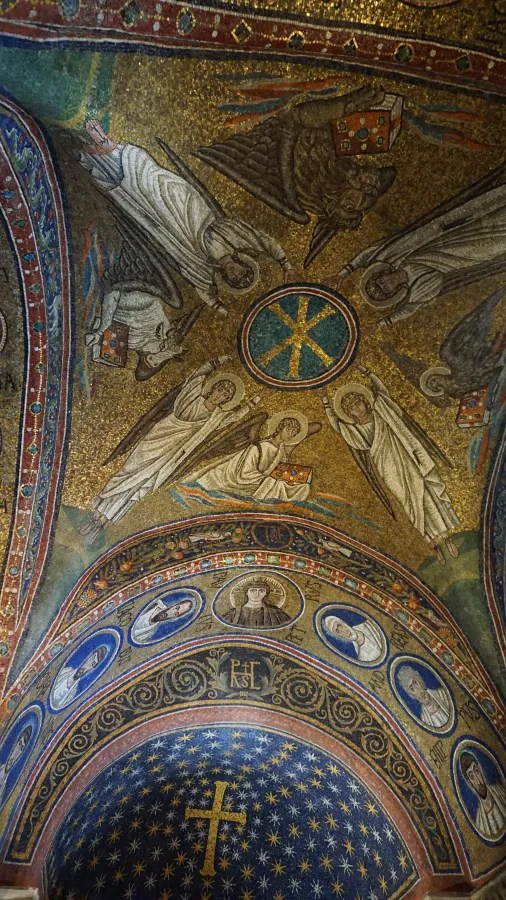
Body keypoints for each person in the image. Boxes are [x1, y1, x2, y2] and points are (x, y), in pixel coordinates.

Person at [81, 120, 298, 317]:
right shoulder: (235, 239)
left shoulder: (204, 273)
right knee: (154, 185)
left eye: (236, 281)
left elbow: (206, 294)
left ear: (228, 281)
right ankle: (112, 147)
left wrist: (224, 310)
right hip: (189, 210)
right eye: (243, 274)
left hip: (168, 233)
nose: (237, 275)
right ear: (245, 264)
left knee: (136, 202)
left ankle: (95, 160)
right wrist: (285, 264)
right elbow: (264, 240)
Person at [81, 357, 254, 541]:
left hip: (172, 454)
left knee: (142, 484)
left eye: (226, 396)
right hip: (159, 437)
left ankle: (104, 522)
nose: (220, 396)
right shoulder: (193, 395)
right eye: (220, 390)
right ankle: (96, 511)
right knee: (128, 471)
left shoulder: (217, 417)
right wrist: (216, 362)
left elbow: (233, 417)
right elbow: (197, 375)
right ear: (213, 388)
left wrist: (252, 404)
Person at [324, 366, 460, 564]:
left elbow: (383, 392)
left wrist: (370, 373)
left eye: (359, 403)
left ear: (365, 401)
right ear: (349, 413)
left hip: (406, 458)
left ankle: (447, 540)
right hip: (387, 467)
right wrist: (326, 405)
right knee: (409, 503)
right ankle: (434, 545)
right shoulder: (356, 431)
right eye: (352, 408)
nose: (358, 408)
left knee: (426, 494)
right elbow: (337, 426)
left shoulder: (382, 411)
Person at [328, 173, 506, 324]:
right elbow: (410, 308)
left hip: (446, 228)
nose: (385, 283)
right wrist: (385, 322)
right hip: (465, 253)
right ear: (393, 293)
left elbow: (365, 256)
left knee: (488, 207)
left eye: (379, 281)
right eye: (385, 290)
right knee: (498, 239)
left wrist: (343, 273)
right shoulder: (419, 287)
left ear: (379, 274)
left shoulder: (389, 256)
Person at [187, 415, 315, 502]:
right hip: (234, 479)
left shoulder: (282, 452)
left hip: (260, 481)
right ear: (280, 428)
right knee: (278, 485)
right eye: (289, 429)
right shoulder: (259, 447)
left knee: (304, 487)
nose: (291, 433)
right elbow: (243, 474)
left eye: (294, 432)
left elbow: (279, 471)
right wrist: (268, 479)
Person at [460, 751, 506, 839]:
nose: (479, 781)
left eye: (477, 771)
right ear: (469, 783)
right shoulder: (479, 822)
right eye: (472, 776)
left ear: (480, 770)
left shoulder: (501, 791)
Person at [223, 578, 291, 627]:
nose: (257, 594)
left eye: (261, 591)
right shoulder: (233, 613)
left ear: (265, 594)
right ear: (246, 592)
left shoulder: (277, 613)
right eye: (253, 591)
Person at [0, 726, 32, 808]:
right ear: (14, 745)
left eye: (21, 748)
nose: (17, 751)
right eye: (19, 744)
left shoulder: (6, 783)